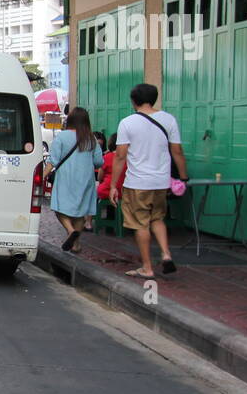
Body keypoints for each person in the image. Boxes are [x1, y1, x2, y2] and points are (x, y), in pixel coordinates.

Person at [111, 83, 189, 279]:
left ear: (133, 101)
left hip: (137, 183)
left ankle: (147, 267)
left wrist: (113, 185)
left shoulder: (127, 123)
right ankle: (166, 253)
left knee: (140, 224)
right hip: (161, 182)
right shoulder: (169, 119)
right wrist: (183, 177)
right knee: (157, 219)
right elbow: (177, 151)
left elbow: (120, 156)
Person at [47, 106, 103, 251]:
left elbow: (53, 161)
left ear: (70, 120)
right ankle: (76, 245)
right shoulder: (91, 139)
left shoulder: (61, 137)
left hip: (65, 178)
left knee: (59, 208)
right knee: (80, 212)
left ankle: (71, 231)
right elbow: (98, 162)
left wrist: (42, 175)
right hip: (85, 179)